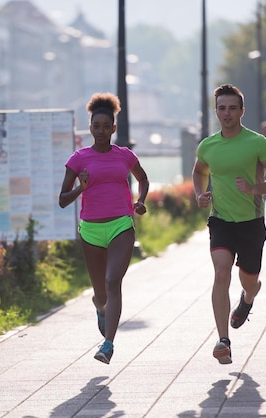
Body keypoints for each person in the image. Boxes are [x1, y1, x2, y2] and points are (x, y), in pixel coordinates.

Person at [192, 84, 266, 365]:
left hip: (251, 223)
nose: (227, 113)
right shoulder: (208, 145)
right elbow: (199, 170)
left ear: (241, 111)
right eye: (221, 108)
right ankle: (223, 341)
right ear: (216, 111)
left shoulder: (257, 143)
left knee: (250, 281)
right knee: (221, 273)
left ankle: (247, 299)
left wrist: (254, 188)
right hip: (221, 221)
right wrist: (200, 194)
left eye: (232, 108)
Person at [58, 92, 150, 364]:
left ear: (113, 128)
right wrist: (80, 188)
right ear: (90, 128)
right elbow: (62, 200)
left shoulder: (125, 156)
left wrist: (141, 200)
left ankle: (108, 344)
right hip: (91, 231)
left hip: (121, 225)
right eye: (95, 126)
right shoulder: (78, 159)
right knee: (100, 294)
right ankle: (101, 309)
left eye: (105, 127)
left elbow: (143, 179)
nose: (100, 131)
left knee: (113, 282)